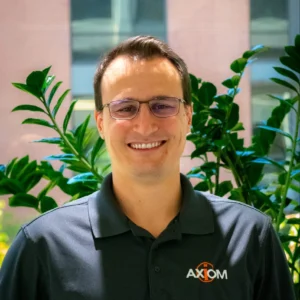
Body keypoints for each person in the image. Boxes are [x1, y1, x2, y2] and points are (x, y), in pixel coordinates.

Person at [0, 36, 296, 300]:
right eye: (125, 108)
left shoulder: (249, 236)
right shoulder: (42, 246)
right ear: (101, 123)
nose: (145, 125)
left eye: (162, 105)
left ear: (188, 116)